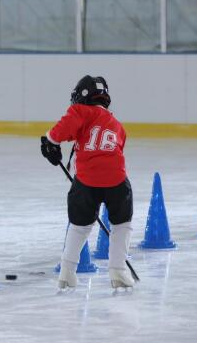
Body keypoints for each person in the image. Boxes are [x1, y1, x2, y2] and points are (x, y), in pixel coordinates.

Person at [40, 75, 134, 289]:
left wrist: (50, 141)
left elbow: (60, 131)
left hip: (87, 181)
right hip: (116, 181)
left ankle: (67, 272)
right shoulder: (117, 125)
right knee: (121, 225)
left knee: (79, 226)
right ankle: (118, 270)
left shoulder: (80, 111)